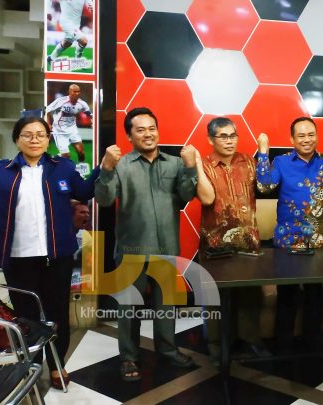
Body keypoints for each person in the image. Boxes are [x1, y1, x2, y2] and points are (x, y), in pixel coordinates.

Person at [0, 116, 98, 389]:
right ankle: (31, 365)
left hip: (57, 257)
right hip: (18, 259)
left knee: (57, 314)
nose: (34, 139)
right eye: (27, 134)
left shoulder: (63, 168)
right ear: (17, 139)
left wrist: (103, 168)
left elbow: (84, 191)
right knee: (26, 317)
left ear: (48, 139)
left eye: (40, 134)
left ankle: (57, 364)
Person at [95, 107, 198, 381]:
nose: (148, 134)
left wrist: (190, 167)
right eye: (140, 130)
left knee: (166, 307)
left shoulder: (174, 163)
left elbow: (187, 195)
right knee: (129, 309)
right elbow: (104, 200)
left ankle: (168, 349)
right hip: (132, 250)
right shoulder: (120, 165)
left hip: (167, 248)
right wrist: (106, 168)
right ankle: (129, 357)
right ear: (130, 136)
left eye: (152, 128)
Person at [256, 117, 323, 351]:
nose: (306, 140)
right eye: (301, 135)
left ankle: (313, 344)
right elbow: (264, 185)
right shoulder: (281, 161)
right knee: (287, 296)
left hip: (318, 241)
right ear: (292, 139)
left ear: (317, 136)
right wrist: (263, 152)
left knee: (315, 296)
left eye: (311, 134)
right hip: (288, 241)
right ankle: (283, 346)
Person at [195, 117, 267, 357]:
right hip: (215, 245)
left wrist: (264, 151)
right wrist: (196, 165)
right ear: (211, 139)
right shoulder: (204, 166)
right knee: (215, 296)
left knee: (249, 296)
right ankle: (215, 343)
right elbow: (206, 199)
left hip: (248, 242)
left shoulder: (249, 162)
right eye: (223, 136)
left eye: (233, 136)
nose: (229, 141)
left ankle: (249, 340)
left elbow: (265, 186)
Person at [45, 84, 91, 176]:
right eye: (75, 91)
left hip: (72, 130)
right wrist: (48, 124)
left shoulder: (82, 103)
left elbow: (88, 113)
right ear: (69, 92)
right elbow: (47, 110)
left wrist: (92, 119)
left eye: (78, 91)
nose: (77, 93)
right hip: (59, 131)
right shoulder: (61, 101)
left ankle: (80, 171)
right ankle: (53, 159)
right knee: (66, 156)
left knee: (81, 152)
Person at [47, 0, 94, 66]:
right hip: (66, 22)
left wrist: (93, 9)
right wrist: (48, 12)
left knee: (67, 43)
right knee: (84, 41)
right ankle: (77, 60)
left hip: (76, 24)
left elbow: (91, 5)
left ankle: (51, 57)